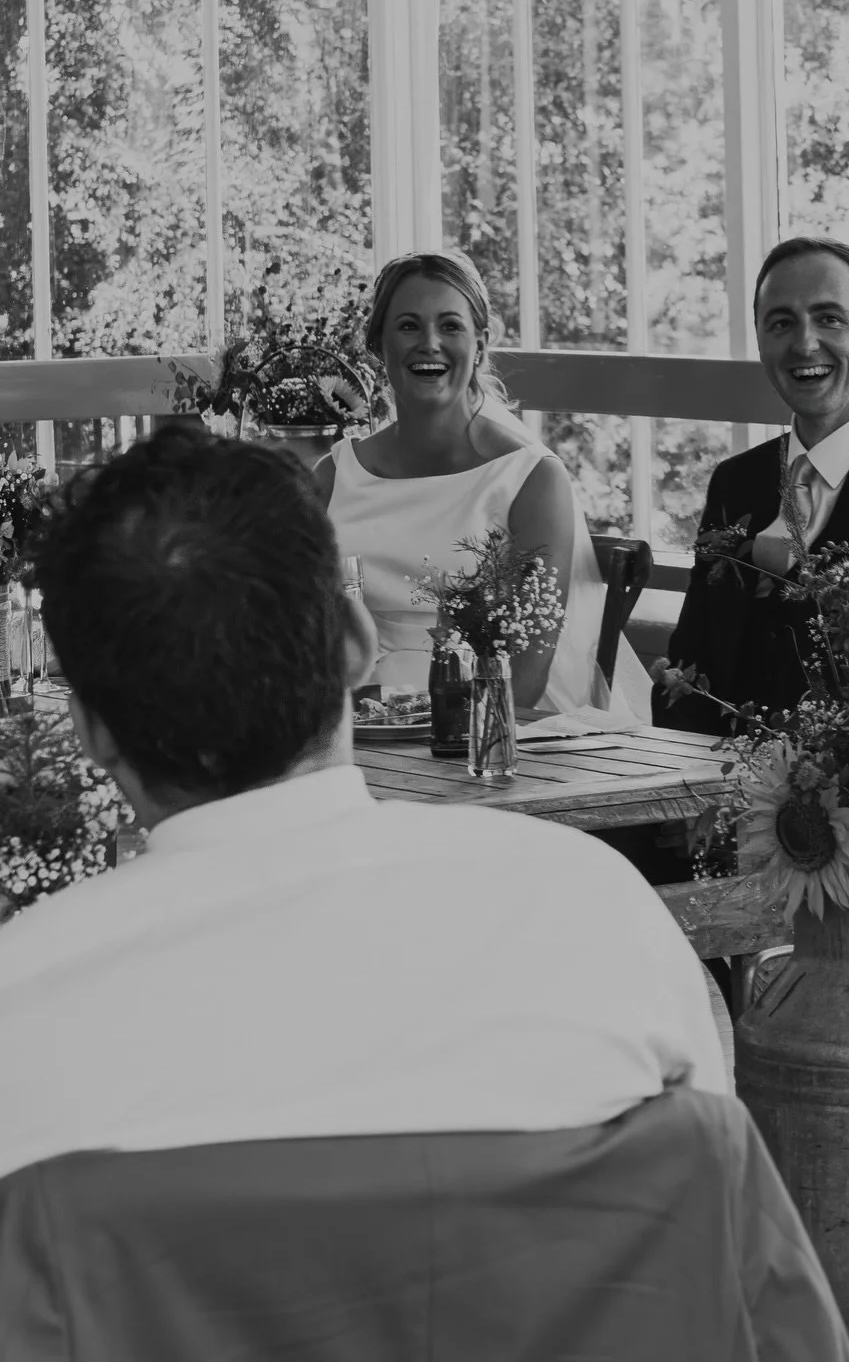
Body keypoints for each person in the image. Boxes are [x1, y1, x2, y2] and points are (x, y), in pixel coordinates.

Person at [0, 426, 727, 1183]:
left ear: (88, 727)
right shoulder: (601, 917)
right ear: (356, 643)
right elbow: (719, 1246)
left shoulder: (22, 1007)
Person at [316, 252, 649, 719]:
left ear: (479, 344)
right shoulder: (333, 476)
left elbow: (528, 677)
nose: (429, 343)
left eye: (450, 326)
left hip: (484, 730)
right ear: (377, 345)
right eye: (408, 326)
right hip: (353, 727)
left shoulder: (530, 480)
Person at [655, 237, 849, 735]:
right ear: (759, 338)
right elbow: (689, 668)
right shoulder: (735, 482)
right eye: (781, 323)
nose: (804, 344)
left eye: (829, 318)